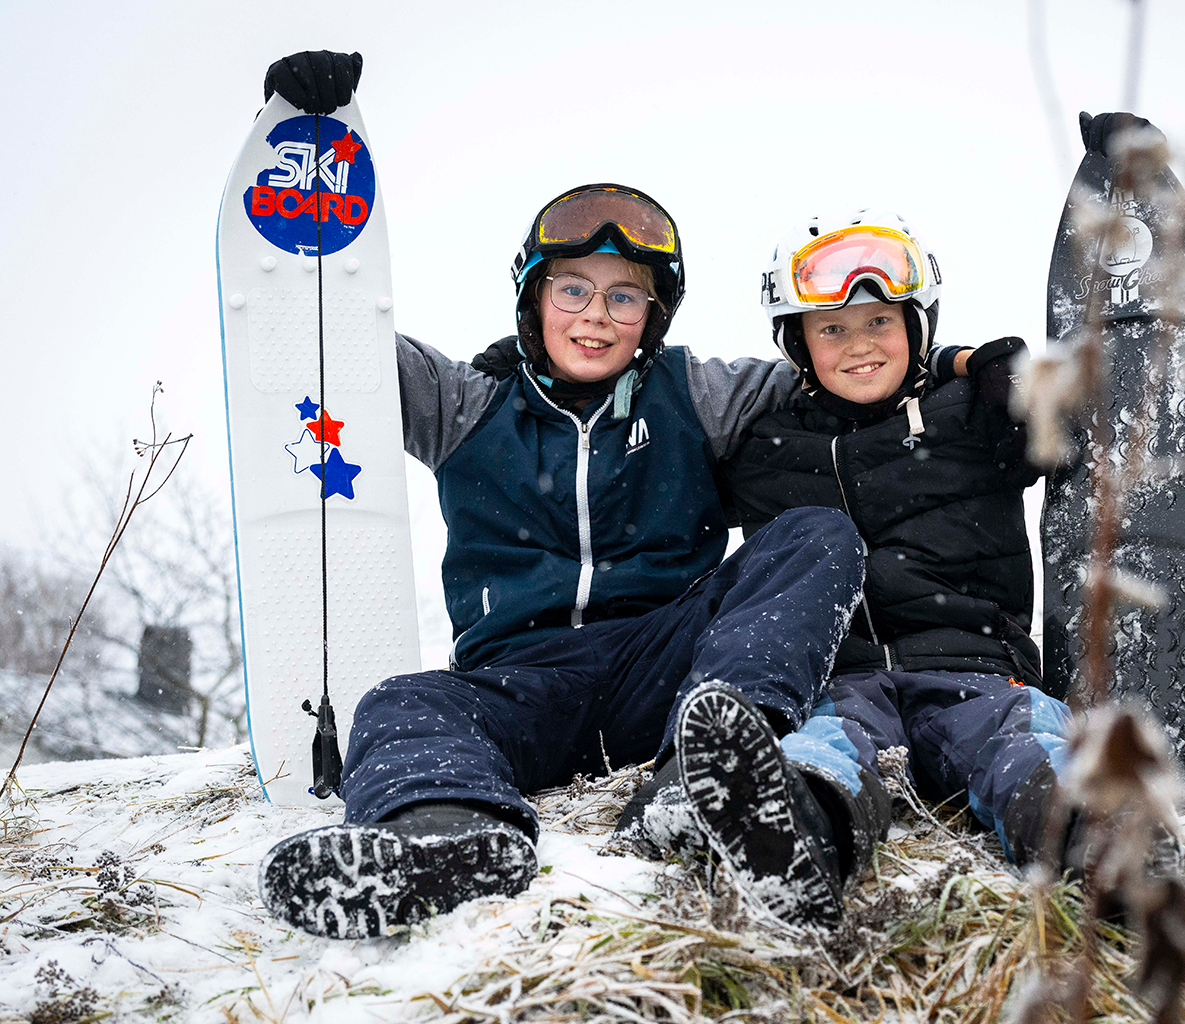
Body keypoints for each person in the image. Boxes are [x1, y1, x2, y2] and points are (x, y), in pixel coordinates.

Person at [251, 52, 876, 940]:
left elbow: (839, 365)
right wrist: (307, 146)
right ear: (533, 299)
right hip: (523, 682)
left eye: (626, 298)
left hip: (672, 666)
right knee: (398, 699)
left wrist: (965, 370)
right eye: (573, 288)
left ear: (653, 319)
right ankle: (450, 834)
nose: (595, 315)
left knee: (816, 535)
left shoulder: (697, 392)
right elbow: (334, 335)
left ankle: (708, 782)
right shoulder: (468, 402)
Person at [623, 210, 1084, 929]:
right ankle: (798, 844)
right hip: (842, 677)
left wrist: (997, 369)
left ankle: (1100, 845)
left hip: (977, 668)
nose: (859, 345)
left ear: (916, 326)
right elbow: (644, 433)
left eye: (878, 322)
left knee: (1022, 742)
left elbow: (1064, 432)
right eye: (831, 328)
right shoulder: (765, 445)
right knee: (818, 748)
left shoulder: (967, 415)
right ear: (797, 344)